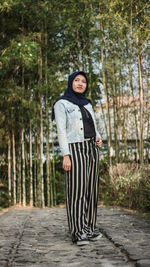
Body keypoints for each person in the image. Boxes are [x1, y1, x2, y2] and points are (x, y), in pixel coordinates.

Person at [52, 71, 102, 246]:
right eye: (77, 80)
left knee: (91, 190)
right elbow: (61, 131)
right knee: (77, 192)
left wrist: (98, 136)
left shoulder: (87, 104)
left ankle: (89, 228)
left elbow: (92, 125)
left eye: (83, 81)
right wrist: (66, 155)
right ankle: (78, 232)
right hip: (75, 149)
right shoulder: (62, 103)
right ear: (70, 83)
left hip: (92, 149)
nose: (81, 83)